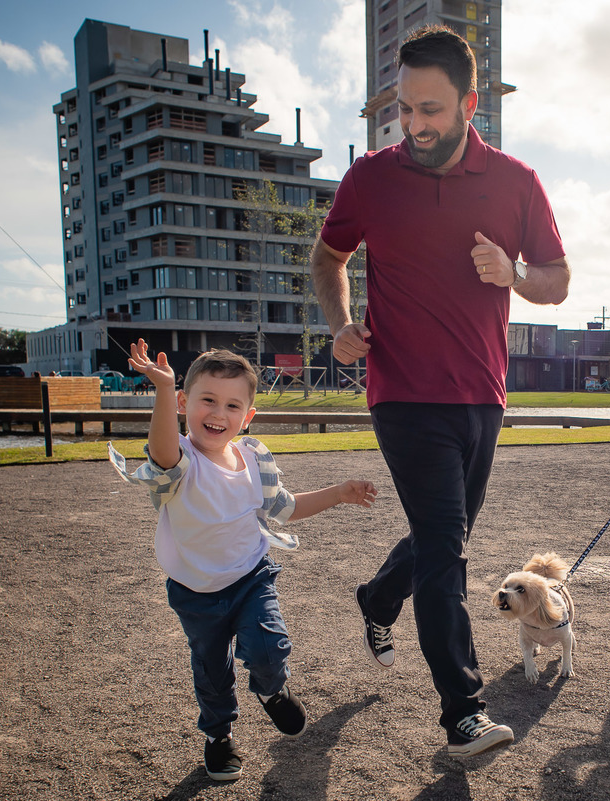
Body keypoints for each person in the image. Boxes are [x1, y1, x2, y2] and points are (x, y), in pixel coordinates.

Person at [309, 25, 570, 757]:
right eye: (404, 108)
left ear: (469, 102)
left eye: (430, 109)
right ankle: (463, 711)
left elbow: (557, 278)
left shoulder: (515, 181)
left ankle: (377, 596)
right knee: (448, 552)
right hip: (401, 392)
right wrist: (339, 325)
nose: (413, 124)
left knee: (441, 539)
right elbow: (327, 256)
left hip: (482, 393)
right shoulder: (371, 177)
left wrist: (512, 275)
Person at [108, 341, 377, 782]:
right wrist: (162, 388)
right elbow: (160, 452)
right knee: (212, 671)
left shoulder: (254, 456)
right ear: (184, 403)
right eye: (207, 400)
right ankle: (218, 736)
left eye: (233, 405)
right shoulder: (181, 460)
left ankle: (272, 690)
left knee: (270, 648)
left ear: (247, 416)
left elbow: (284, 507)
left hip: (252, 577)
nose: (219, 412)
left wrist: (338, 494)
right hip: (195, 592)